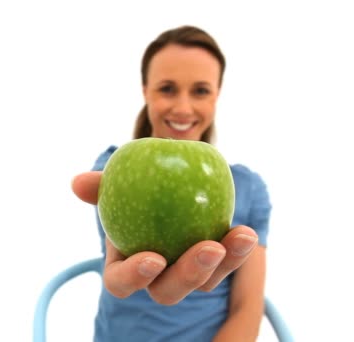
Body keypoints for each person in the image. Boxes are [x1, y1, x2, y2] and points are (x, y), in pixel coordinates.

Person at [71, 25, 272, 342]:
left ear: (217, 95)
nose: (182, 107)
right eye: (167, 88)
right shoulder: (114, 166)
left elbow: (247, 308)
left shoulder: (248, 186)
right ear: (145, 90)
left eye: (200, 90)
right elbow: (120, 240)